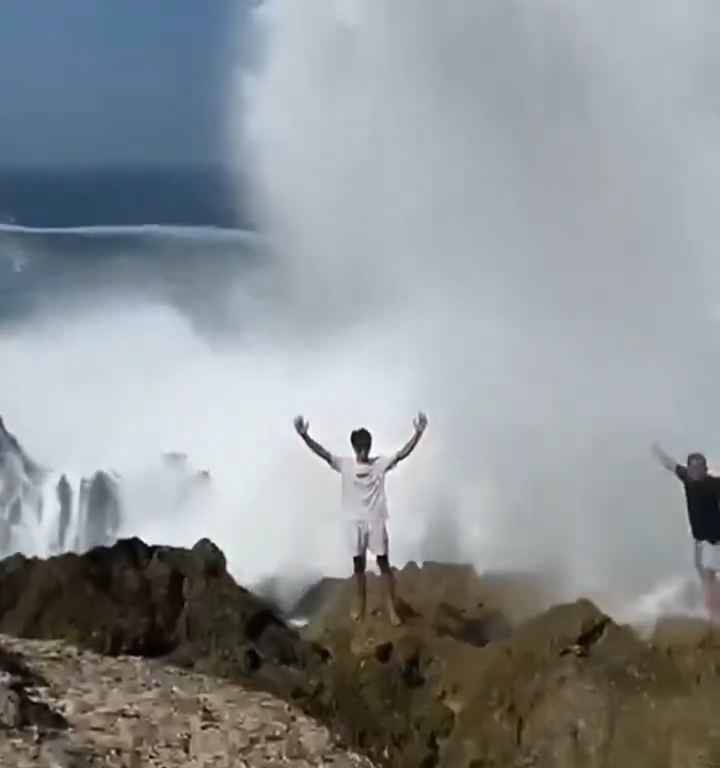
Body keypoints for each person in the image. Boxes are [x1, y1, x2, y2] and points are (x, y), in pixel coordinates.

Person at [294, 412, 428, 626]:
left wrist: (418, 433)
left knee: (383, 563)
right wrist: (304, 436)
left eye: (366, 447)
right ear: (355, 448)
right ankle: (360, 602)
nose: (364, 452)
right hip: (354, 522)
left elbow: (402, 453)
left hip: (376, 520)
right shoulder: (345, 465)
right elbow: (323, 454)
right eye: (360, 448)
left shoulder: (379, 464)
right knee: (358, 564)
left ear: (370, 446)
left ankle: (391, 607)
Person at [653, 443, 720, 620]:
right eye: (693, 467)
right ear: (689, 469)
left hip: (715, 541)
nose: (696, 471)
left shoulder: (713, 484)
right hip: (699, 541)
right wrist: (656, 451)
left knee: (708, 576)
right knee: (703, 573)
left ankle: (714, 617)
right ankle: (713, 611)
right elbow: (671, 465)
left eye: (700, 467)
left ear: (706, 469)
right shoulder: (687, 479)